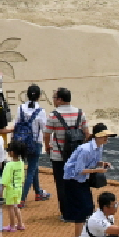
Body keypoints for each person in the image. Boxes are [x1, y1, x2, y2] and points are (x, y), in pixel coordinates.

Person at [43, 86, 89, 223]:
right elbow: (87, 134)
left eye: (54, 97)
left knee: (62, 184)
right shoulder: (80, 113)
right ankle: (80, 210)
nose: (53, 100)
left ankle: (66, 213)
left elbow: (47, 134)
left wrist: (48, 147)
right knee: (78, 182)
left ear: (60, 99)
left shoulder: (53, 115)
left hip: (59, 156)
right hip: (77, 155)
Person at [63, 122, 116, 224]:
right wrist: (97, 170)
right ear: (97, 136)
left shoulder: (99, 147)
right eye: (104, 136)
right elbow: (79, 170)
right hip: (72, 179)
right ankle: (80, 233)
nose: (106, 138)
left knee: (88, 207)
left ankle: (85, 230)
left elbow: (93, 162)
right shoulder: (85, 150)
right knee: (81, 209)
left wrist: (102, 163)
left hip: (82, 179)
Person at [13, 84, 50, 205]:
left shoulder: (20, 108)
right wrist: (47, 144)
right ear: (39, 96)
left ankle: (38, 192)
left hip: (21, 142)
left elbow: (16, 124)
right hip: (35, 143)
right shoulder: (41, 111)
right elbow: (44, 130)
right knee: (31, 170)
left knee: (34, 167)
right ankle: (22, 198)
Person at [0, 141, 27, 232]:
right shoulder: (21, 163)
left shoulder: (9, 165)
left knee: (10, 207)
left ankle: (12, 226)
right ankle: (20, 224)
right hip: (18, 188)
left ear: (12, 152)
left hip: (10, 189)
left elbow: (5, 179)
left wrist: (1, 190)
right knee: (16, 206)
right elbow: (22, 177)